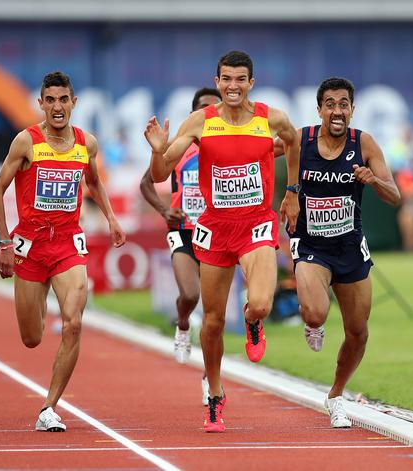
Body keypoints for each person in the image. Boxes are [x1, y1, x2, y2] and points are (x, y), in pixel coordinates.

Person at [144, 51, 298, 433]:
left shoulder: (270, 118)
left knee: (260, 303)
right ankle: (215, 394)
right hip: (215, 227)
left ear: (251, 82)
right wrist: (157, 149)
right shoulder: (200, 122)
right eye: (226, 79)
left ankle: (252, 320)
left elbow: (293, 141)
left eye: (240, 79)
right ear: (217, 81)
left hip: (256, 222)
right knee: (212, 322)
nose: (233, 86)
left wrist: (292, 190)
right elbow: (162, 173)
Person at [0, 71, 125, 432]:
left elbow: (93, 181)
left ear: (74, 103)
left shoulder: (86, 143)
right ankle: (41, 293)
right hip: (30, 246)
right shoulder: (26, 142)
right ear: (41, 104)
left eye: (63, 99)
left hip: (67, 242)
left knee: (74, 322)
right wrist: (5, 245)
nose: (57, 107)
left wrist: (111, 218)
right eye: (50, 100)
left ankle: (49, 407)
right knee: (31, 338)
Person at [283, 77, 400, 428]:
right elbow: (258, 150)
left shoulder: (364, 142)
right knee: (317, 314)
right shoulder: (300, 140)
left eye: (344, 104)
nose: (337, 110)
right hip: (311, 245)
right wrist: (289, 192)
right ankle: (311, 319)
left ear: (352, 109)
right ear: (319, 109)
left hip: (350, 248)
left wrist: (372, 180)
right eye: (330, 104)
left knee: (358, 332)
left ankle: (335, 395)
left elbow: (394, 196)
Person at [140, 87, 221, 405]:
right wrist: (163, 210)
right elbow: (147, 182)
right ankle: (183, 322)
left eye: (215, 108)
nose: (209, 113)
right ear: (193, 114)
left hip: (218, 233)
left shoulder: (232, 148)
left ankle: (209, 381)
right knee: (190, 294)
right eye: (203, 108)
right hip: (185, 231)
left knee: (215, 315)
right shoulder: (179, 147)